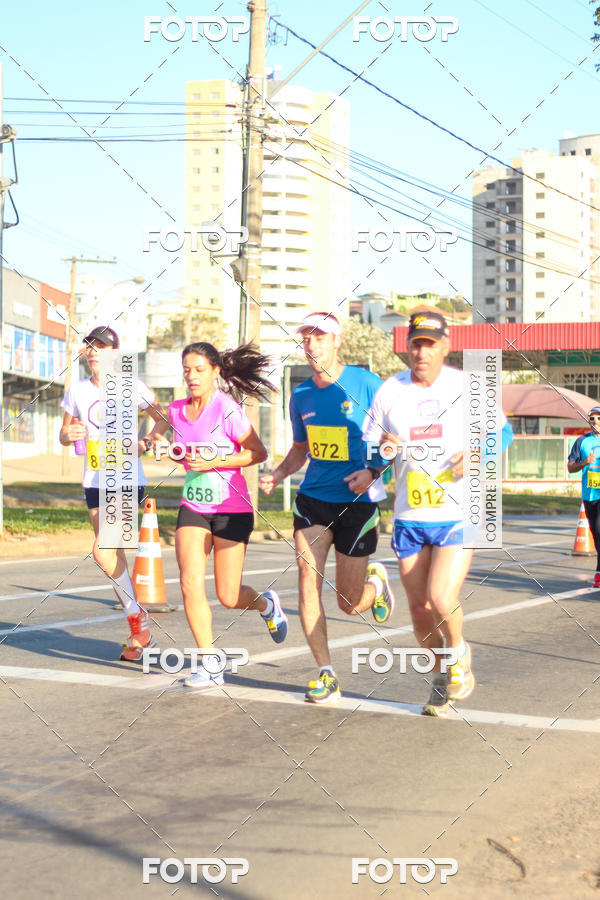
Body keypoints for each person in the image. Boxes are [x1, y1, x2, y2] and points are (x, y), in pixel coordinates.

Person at [364, 311, 513, 716]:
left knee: (440, 596)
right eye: (415, 343)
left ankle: (460, 653)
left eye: (430, 344)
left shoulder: (466, 386)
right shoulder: (389, 392)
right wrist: (382, 450)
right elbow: (373, 451)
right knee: (418, 611)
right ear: (407, 347)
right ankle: (442, 674)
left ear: (446, 347)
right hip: (410, 516)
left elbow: (503, 432)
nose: (421, 351)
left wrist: (480, 454)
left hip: (458, 513)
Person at [260, 311, 395, 705]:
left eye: (320, 337)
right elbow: (301, 448)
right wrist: (279, 474)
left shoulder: (367, 385)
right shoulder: (301, 395)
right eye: (306, 338)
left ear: (337, 342)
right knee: (306, 576)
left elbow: (393, 439)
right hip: (313, 499)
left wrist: (373, 471)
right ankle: (326, 673)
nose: (312, 344)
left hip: (359, 503)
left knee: (350, 604)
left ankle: (377, 584)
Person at [145, 341, 288, 689]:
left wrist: (215, 462)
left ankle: (266, 604)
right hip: (193, 505)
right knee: (189, 581)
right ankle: (210, 663)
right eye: (187, 370)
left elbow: (257, 452)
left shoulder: (226, 410)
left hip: (232, 508)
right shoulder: (177, 411)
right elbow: (165, 438)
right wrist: (157, 443)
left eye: (199, 370)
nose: (192, 376)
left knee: (227, 595)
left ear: (215, 372)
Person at [59, 325, 167, 661]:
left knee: (103, 552)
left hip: (126, 478)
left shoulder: (130, 387)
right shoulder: (77, 392)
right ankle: (140, 632)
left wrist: (148, 440)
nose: (94, 351)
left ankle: (138, 620)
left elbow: (162, 415)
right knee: (113, 556)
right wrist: (68, 433)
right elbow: (64, 433)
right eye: (90, 346)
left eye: (102, 346)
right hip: (94, 481)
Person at [567, 406, 600, 588]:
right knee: (596, 535)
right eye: (592, 418)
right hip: (589, 494)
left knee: (599, 528)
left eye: (598, 418)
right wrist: (585, 462)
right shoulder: (582, 442)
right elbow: (570, 467)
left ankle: (598, 571)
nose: (595, 421)